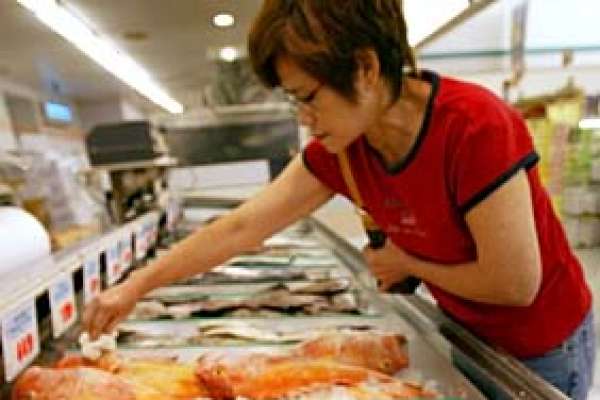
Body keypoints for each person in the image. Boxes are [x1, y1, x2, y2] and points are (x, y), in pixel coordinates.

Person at [83, 1, 595, 398]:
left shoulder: (474, 127)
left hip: (540, 348)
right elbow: (242, 227)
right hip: (466, 332)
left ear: (366, 68)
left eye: (308, 96)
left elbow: (514, 283)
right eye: (293, 99)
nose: (303, 116)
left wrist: (406, 260)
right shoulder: (345, 149)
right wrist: (135, 287)